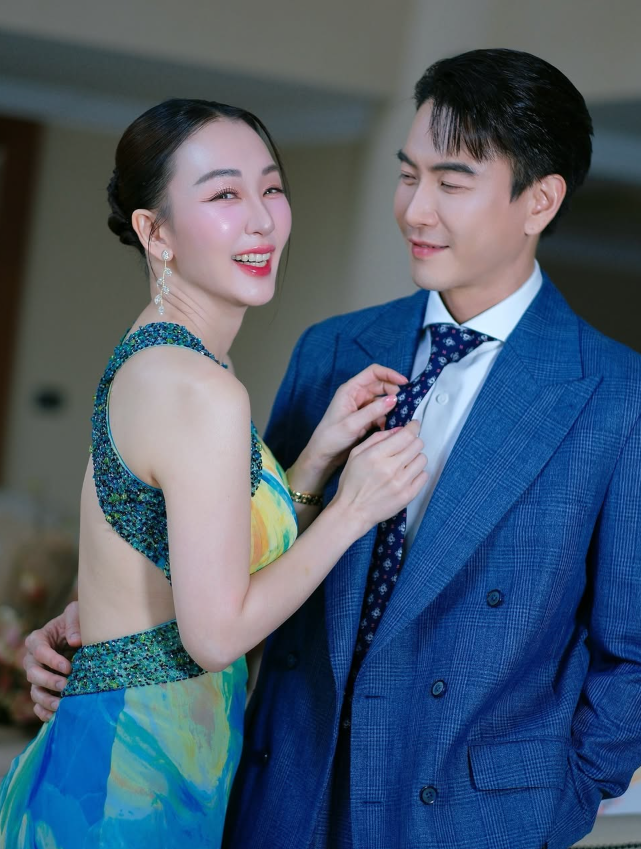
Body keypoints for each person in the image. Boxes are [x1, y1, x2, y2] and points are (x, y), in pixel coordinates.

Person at [23, 49, 641, 849]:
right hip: (278, 799)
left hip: (465, 822)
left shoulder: (614, 397)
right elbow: (235, 562)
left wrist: (555, 803)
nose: (414, 210)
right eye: (407, 175)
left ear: (539, 200)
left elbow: (630, 652)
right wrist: (105, 635)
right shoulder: (332, 349)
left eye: (450, 183)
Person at [0, 98, 428, 848]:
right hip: (131, 788)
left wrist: (316, 458)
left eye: (271, 187)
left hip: (128, 761)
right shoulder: (200, 389)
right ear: (155, 232)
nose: (261, 220)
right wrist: (351, 511)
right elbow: (216, 632)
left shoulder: (164, 356)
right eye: (224, 194)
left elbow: (184, 552)